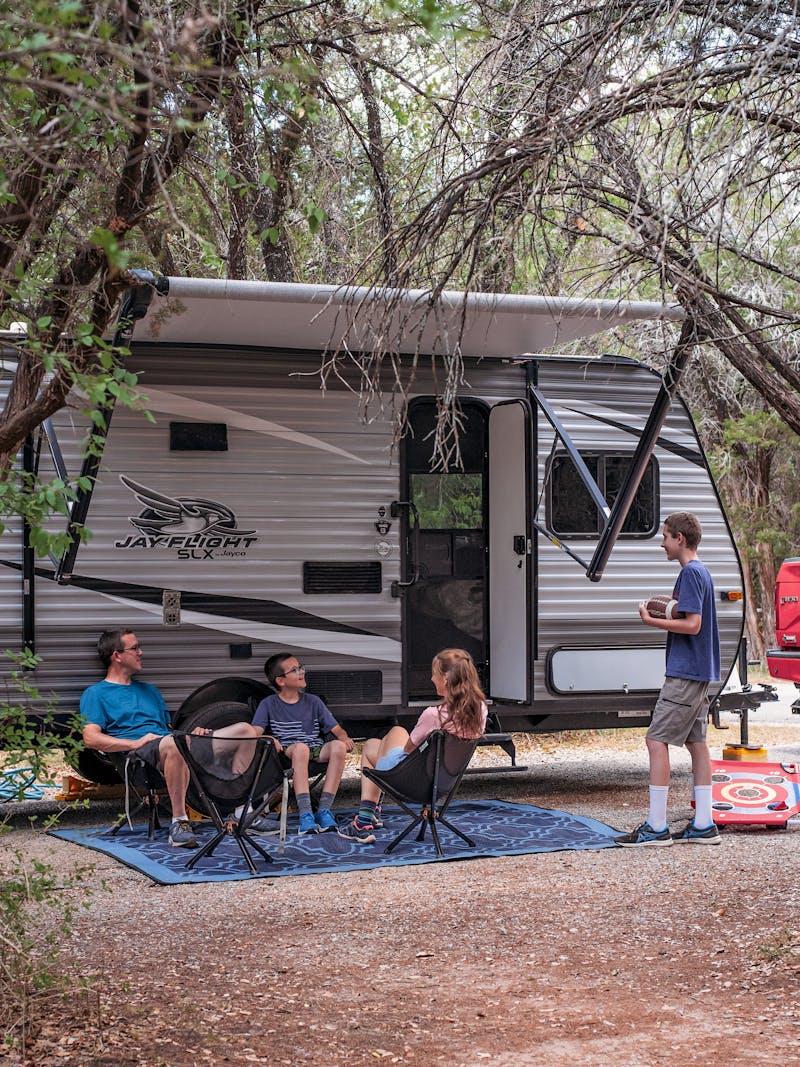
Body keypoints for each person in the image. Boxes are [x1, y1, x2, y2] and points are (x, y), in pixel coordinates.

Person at [80, 628, 259, 849]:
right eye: (134, 648)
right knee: (174, 744)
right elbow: (90, 738)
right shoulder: (96, 694)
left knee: (245, 731)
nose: (141, 652)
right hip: (139, 758)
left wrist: (193, 735)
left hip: (172, 746)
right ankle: (179, 823)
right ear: (117, 655)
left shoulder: (150, 691)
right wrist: (134, 743)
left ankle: (242, 811)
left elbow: (167, 730)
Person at [615, 512, 722, 847]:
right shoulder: (701, 571)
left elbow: (693, 625)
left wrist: (652, 621)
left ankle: (657, 827)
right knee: (696, 743)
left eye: (664, 536)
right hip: (701, 672)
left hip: (685, 673)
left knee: (655, 740)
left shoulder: (690, 573)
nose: (661, 543)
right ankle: (704, 823)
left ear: (680, 539)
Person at [338, 647, 488, 843]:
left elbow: (408, 750)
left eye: (434, 674)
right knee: (374, 744)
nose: (431, 679)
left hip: (410, 781)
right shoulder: (480, 712)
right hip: (443, 783)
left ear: (445, 680)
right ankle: (370, 815)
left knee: (386, 738)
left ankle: (363, 821)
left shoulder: (433, 715)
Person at [251, 652, 354, 834]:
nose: (302, 672)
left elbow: (337, 730)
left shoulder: (314, 701)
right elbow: (254, 734)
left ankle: (324, 810)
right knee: (301, 749)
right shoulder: (268, 704)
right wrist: (268, 738)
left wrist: (344, 738)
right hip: (287, 752)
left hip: (315, 749)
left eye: (301, 667)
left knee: (337, 746)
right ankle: (305, 814)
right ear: (281, 681)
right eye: (295, 669)